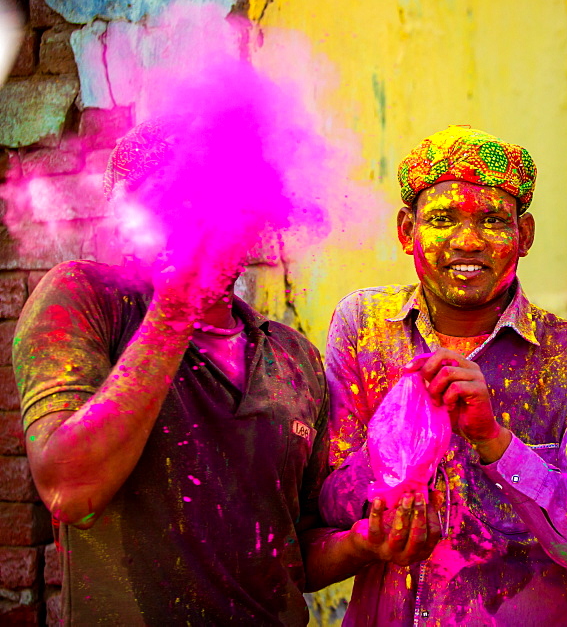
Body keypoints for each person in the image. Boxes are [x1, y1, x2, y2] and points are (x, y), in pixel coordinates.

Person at [312, 125, 567, 625]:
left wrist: (495, 443)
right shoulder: (365, 327)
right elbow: (327, 508)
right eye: (442, 219)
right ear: (407, 231)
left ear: (524, 235)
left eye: (492, 220)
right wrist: (391, 450)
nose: (468, 242)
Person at [13, 119, 331, 624]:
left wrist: (368, 542)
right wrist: (177, 309)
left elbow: (298, 547)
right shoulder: (86, 298)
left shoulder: (294, 358)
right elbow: (68, 490)